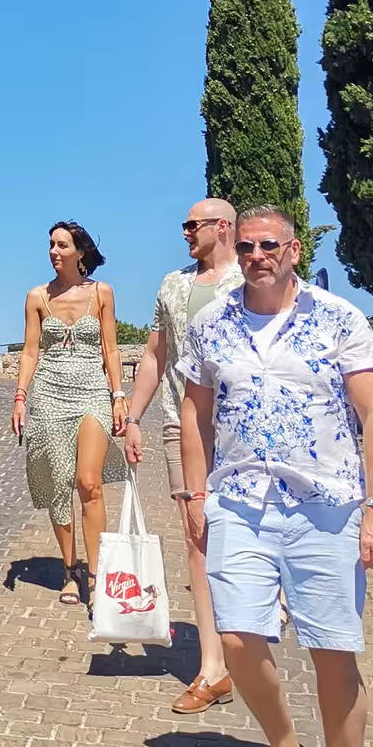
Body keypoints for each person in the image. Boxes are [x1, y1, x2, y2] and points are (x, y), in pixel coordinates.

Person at [179, 206, 373, 747]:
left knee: (333, 652)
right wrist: (194, 492)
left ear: (294, 249)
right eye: (245, 245)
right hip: (241, 503)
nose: (255, 255)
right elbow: (194, 408)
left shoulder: (337, 319)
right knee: (239, 640)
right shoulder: (211, 322)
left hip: (325, 509)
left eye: (269, 244)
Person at [123, 199, 242, 712]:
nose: (185, 233)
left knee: (251, 531)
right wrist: (131, 417)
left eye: (192, 225)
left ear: (223, 227)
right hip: (182, 423)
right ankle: (213, 670)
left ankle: (257, 624)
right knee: (198, 538)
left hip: (248, 431)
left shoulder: (252, 276)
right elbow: (155, 354)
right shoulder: (172, 285)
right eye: (183, 225)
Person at [11, 222, 128, 606]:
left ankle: (96, 575)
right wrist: (20, 397)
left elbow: (111, 349)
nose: (54, 251)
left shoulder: (102, 292)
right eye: (51, 245)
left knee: (88, 482)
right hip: (49, 393)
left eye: (62, 245)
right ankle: (69, 570)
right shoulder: (36, 296)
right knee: (60, 483)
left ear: (80, 251)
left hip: (92, 390)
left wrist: (118, 394)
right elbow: (30, 352)